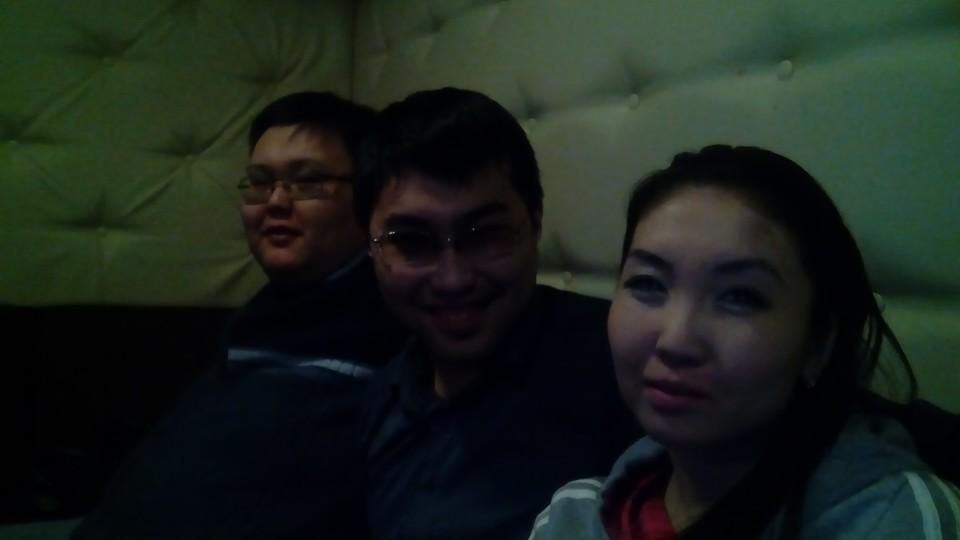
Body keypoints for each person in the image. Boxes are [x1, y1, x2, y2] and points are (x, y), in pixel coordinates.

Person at [529, 145, 960, 539]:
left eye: (740, 297)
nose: (676, 341)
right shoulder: (573, 517)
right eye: (648, 283)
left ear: (818, 345)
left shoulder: (895, 519)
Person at [73, 92, 408, 540]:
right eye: (259, 182)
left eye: (307, 181)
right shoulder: (264, 321)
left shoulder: (392, 326)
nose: (275, 201)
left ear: (369, 201)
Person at [352, 87, 639, 540]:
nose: (453, 280)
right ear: (369, 248)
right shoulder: (381, 397)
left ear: (535, 222)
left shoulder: (626, 367)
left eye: (485, 235)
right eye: (411, 242)